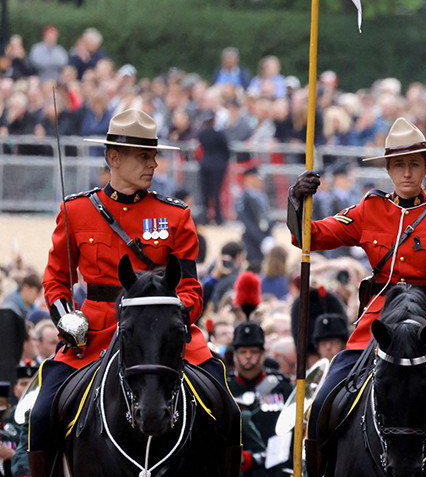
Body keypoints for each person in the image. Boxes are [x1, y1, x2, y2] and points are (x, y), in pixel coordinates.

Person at [288, 117, 426, 476]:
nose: (407, 172)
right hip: (380, 321)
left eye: (414, 164)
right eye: (399, 165)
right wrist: (296, 201)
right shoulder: (370, 209)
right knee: (322, 404)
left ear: (425, 166)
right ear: (388, 169)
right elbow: (310, 237)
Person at [31, 108, 239, 476]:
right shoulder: (77, 211)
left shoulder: (175, 215)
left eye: (154, 155)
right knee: (42, 412)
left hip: (165, 334)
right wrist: (66, 319)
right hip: (94, 334)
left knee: (228, 408)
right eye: (143, 156)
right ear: (114, 158)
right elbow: (55, 281)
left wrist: (171, 320)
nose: (153, 164)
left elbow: (190, 289)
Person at [228, 322, 294, 477]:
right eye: (243, 352)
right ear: (235, 356)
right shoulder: (225, 386)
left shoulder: (282, 386)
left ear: (263, 354)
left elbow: (292, 431)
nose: (248, 356)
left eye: (254, 351)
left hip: (277, 470)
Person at [235, 167, 274, 267]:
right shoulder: (243, 198)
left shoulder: (262, 196)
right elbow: (247, 222)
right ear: (249, 178)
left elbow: (266, 218)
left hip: (265, 237)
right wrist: (261, 240)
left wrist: (269, 236)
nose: (260, 180)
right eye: (256, 177)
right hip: (251, 240)